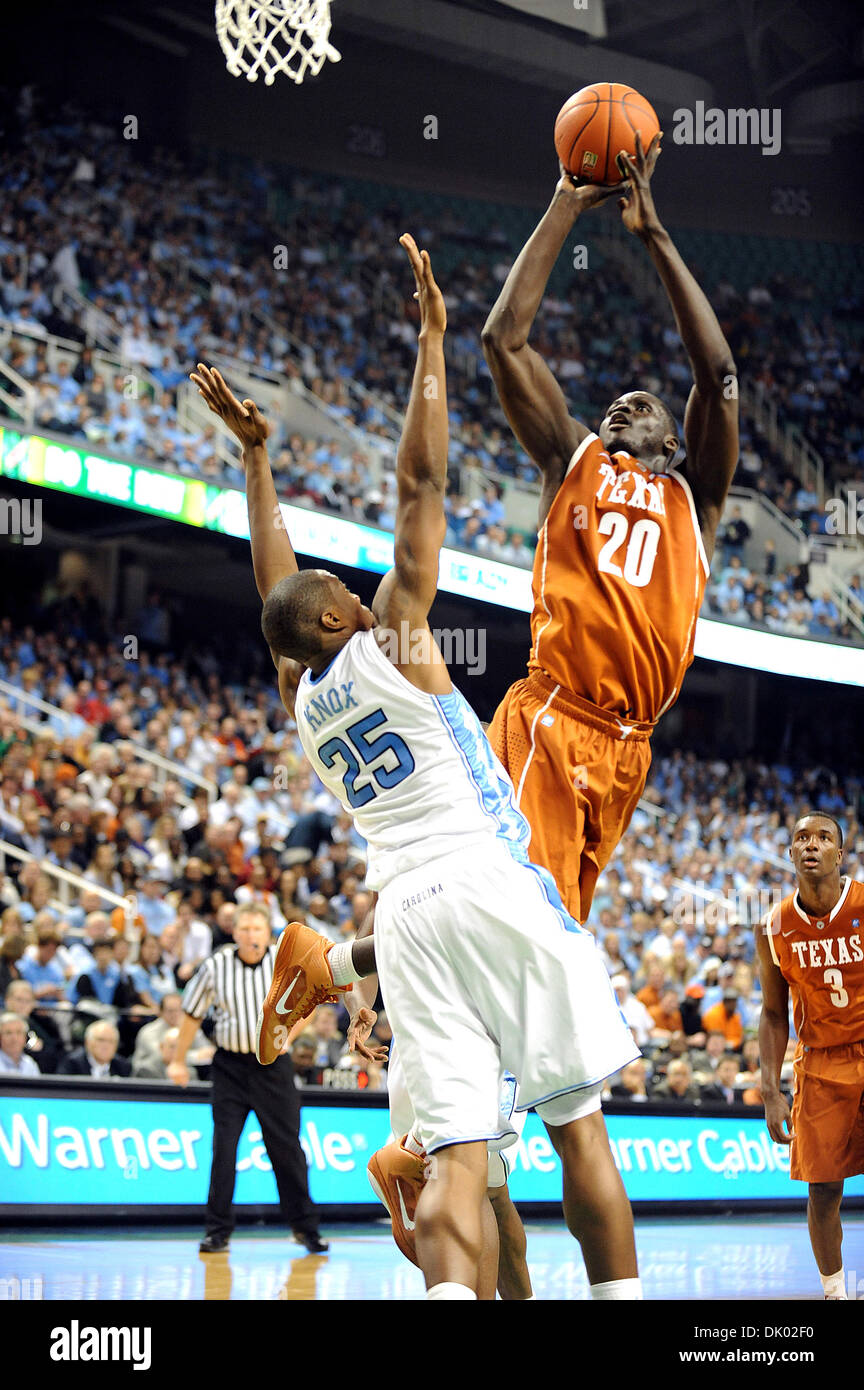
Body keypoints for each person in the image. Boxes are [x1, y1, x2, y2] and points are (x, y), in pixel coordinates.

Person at [193, 233, 640, 1302]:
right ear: (348, 611)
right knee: (579, 1130)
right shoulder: (391, 637)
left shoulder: (303, 693)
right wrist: (432, 343)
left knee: (457, 1159)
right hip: (489, 879)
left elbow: (275, 591)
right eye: (342, 582)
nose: (348, 580)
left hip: (405, 917)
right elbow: (420, 481)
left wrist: (257, 462)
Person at [479, 131, 738, 926]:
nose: (623, 406)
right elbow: (502, 339)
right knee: (528, 925)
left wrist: (655, 235)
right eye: (614, 404)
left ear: (674, 442)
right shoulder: (573, 458)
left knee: (555, 935)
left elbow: (718, 376)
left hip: (629, 748)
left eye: (644, 406)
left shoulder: (698, 499)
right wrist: (565, 202)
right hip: (553, 717)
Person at [166, 903, 327, 1256]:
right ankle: (218, 1231)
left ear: (267, 932)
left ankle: (305, 1228)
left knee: (286, 1149)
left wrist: (287, 1035)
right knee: (223, 1149)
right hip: (230, 1067)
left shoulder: (282, 962)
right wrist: (178, 1060)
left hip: (273, 1068)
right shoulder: (215, 966)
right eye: (245, 929)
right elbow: (191, 1014)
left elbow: (308, 1004)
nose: (251, 935)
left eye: (257, 929)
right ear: (234, 932)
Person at [756, 812, 864, 1301]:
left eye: (823, 838)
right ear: (791, 853)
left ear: (840, 854)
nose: (811, 845)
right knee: (823, 1189)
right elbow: (773, 1014)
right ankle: (834, 1293)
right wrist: (769, 1092)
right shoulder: (774, 926)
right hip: (820, 1062)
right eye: (802, 838)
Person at [59, 1021, 132, 1078]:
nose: (106, 1046)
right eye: (101, 1040)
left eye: (111, 1041)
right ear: (88, 1042)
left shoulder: (123, 1067)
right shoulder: (72, 1063)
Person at [0, 1012, 41, 1077]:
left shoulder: (30, 1063)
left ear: (25, 1037)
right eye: (8, 1033)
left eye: (19, 1032)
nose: (14, 1038)